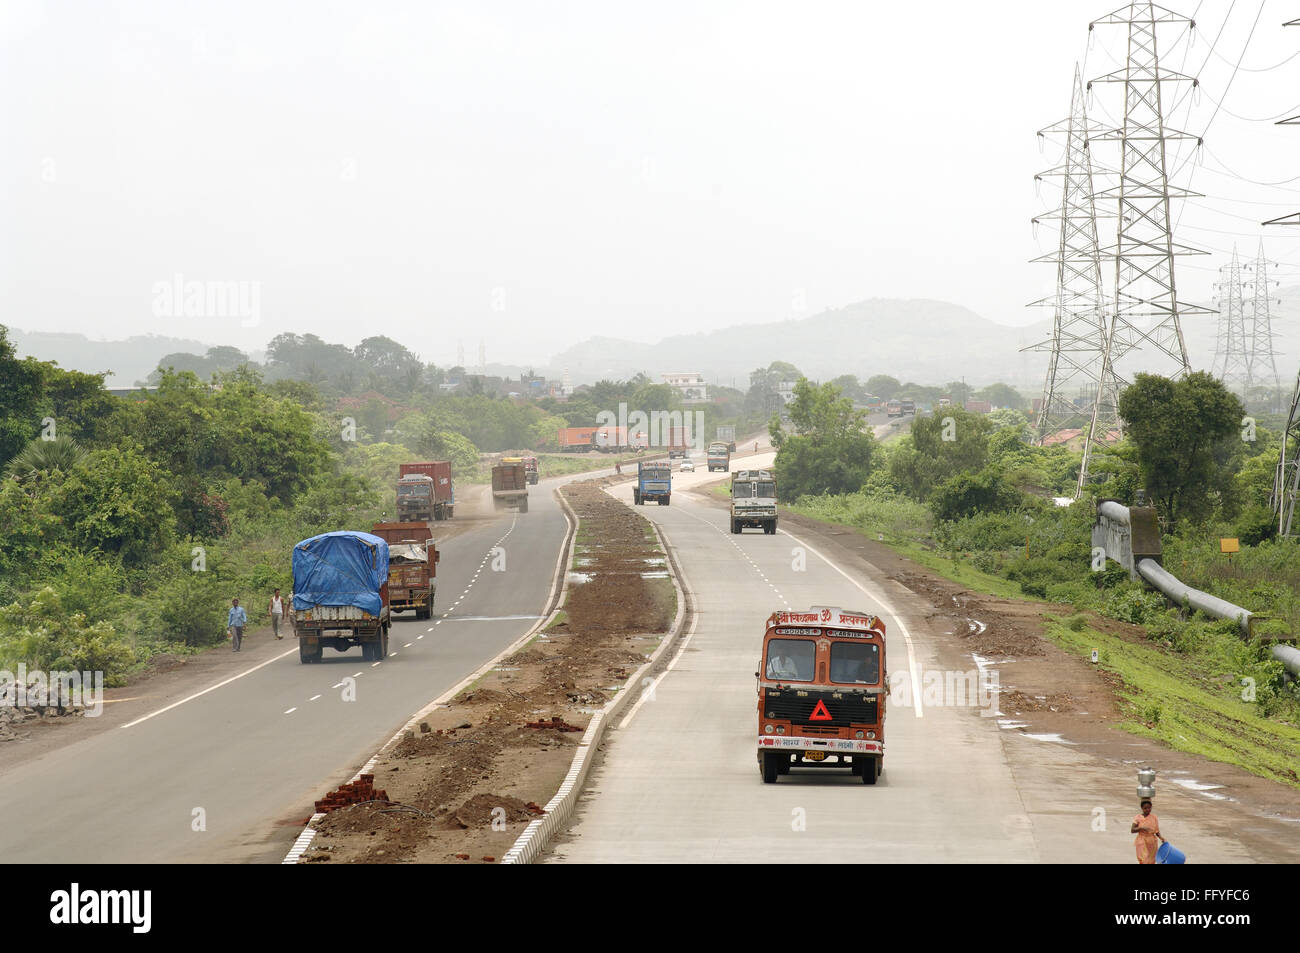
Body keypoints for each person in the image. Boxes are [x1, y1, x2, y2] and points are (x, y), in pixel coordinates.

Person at [1131, 798, 1165, 864]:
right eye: (1145, 808)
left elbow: (1156, 830)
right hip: (1142, 840)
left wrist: (1161, 838)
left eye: (1149, 808)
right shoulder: (1137, 817)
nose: (1147, 810)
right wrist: (1142, 827)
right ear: (1142, 808)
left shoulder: (1154, 817)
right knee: (1143, 859)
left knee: (1151, 859)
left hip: (1152, 842)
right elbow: (1132, 830)